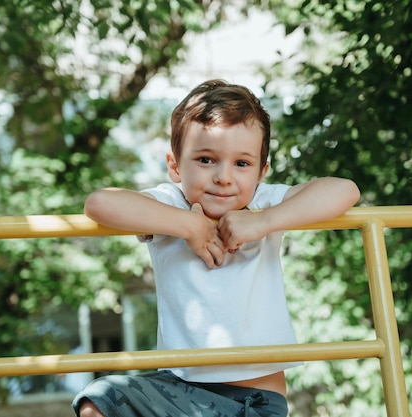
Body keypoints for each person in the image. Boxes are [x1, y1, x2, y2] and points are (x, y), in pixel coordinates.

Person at [72, 79, 360, 417]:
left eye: (242, 164)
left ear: (261, 172)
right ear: (176, 165)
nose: (224, 177)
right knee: (99, 402)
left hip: (256, 399)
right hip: (179, 386)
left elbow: (344, 190)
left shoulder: (262, 202)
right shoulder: (171, 204)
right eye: (207, 159)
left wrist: (263, 221)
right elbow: (99, 203)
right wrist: (188, 225)